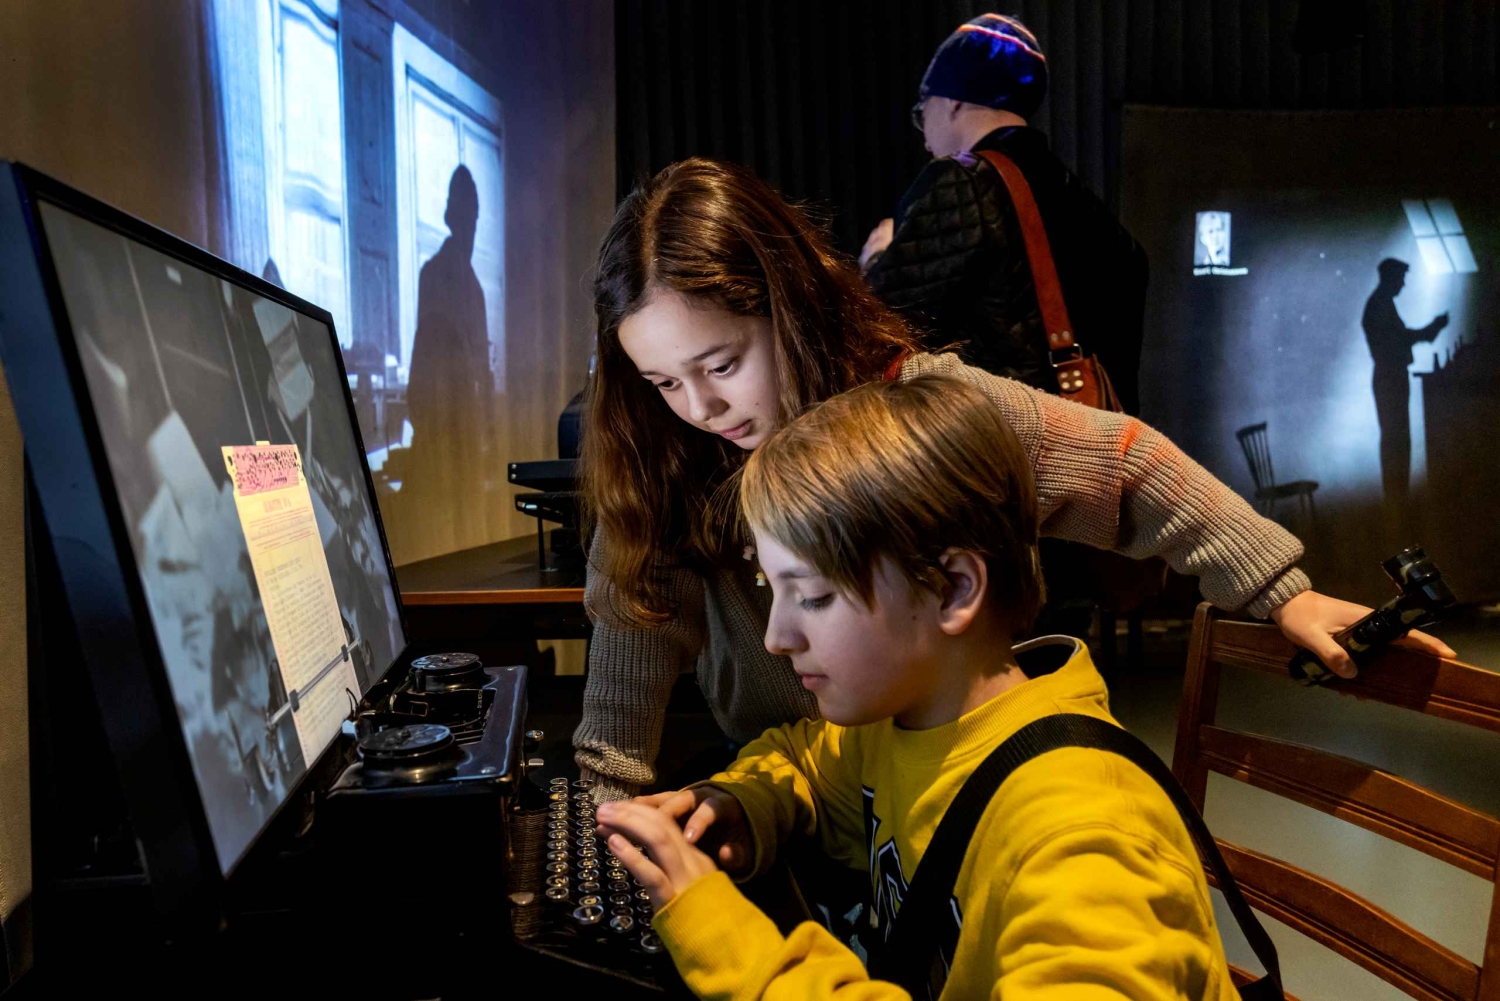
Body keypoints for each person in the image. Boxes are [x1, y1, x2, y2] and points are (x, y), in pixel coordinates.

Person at [576, 156, 1453, 802]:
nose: (699, 407)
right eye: (662, 382)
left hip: (951, 784)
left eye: (721, 364)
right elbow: (624, 679)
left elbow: (1125, 463)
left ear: (791, 308)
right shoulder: (665, 454)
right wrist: (604, 816)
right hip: (792, 792)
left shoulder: (916, 407)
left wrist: (1279, 591)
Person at [594, 375, 1241, 999]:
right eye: (772, 588)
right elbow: (800, 757)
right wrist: (739, 802)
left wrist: (731, 942)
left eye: (812, 596)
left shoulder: (1085, 840)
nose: (776, 637)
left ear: (953, 589)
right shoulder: (907, 723)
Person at [860, 14, 1147, 416]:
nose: (924, 137)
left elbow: (874, 327)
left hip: (1004, 437)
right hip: (1092, 436)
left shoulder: (963, 180)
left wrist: (879, 256)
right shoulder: (1082, 201)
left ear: (953, 101)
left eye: (922, 112)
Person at [404, 165, 491, 545]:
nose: (470, 226)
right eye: (465, 215)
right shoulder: (435, 274)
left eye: (474, 217)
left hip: (465, 424)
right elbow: (425, 349)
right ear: (452, 217)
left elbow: (482, 364)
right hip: (440, 422)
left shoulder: (474, 287)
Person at [1363, 257, 1448, 513]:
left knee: (1396, 438)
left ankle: (1397, 497)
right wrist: (1432, 329)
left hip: (1390, 377)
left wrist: (1429, 330)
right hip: (1390, 378)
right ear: (1390, 278)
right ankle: (1397, 499)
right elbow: (1400, 339)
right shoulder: (1380, 305)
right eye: (1401, 278)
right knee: (1396, 439)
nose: (1403, 284)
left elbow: (1400, 338)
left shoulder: (1380, 304)